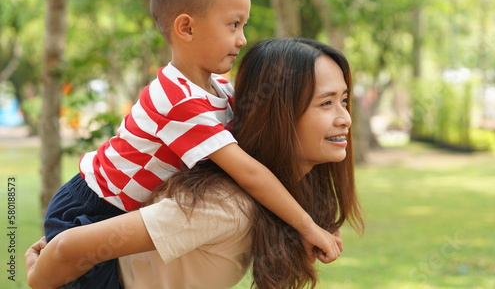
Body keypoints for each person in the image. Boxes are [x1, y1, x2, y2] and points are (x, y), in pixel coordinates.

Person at [42, 0, 340, 288]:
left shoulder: (222, 91)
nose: (242, 39)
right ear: (186, 28)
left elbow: (266, 143)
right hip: (92, 207)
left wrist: (317, 215)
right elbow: (251, 172)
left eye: (244, 26)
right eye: (233, 25)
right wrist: (307, 226)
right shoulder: (178, 100)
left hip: (123, 211)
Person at [25, 37, 365, 289]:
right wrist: (36, 276)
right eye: (326, 103)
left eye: (344, 100)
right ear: (278, 115)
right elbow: (68, 248)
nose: (345, 119)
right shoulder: (224, 206)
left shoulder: (267, 196)